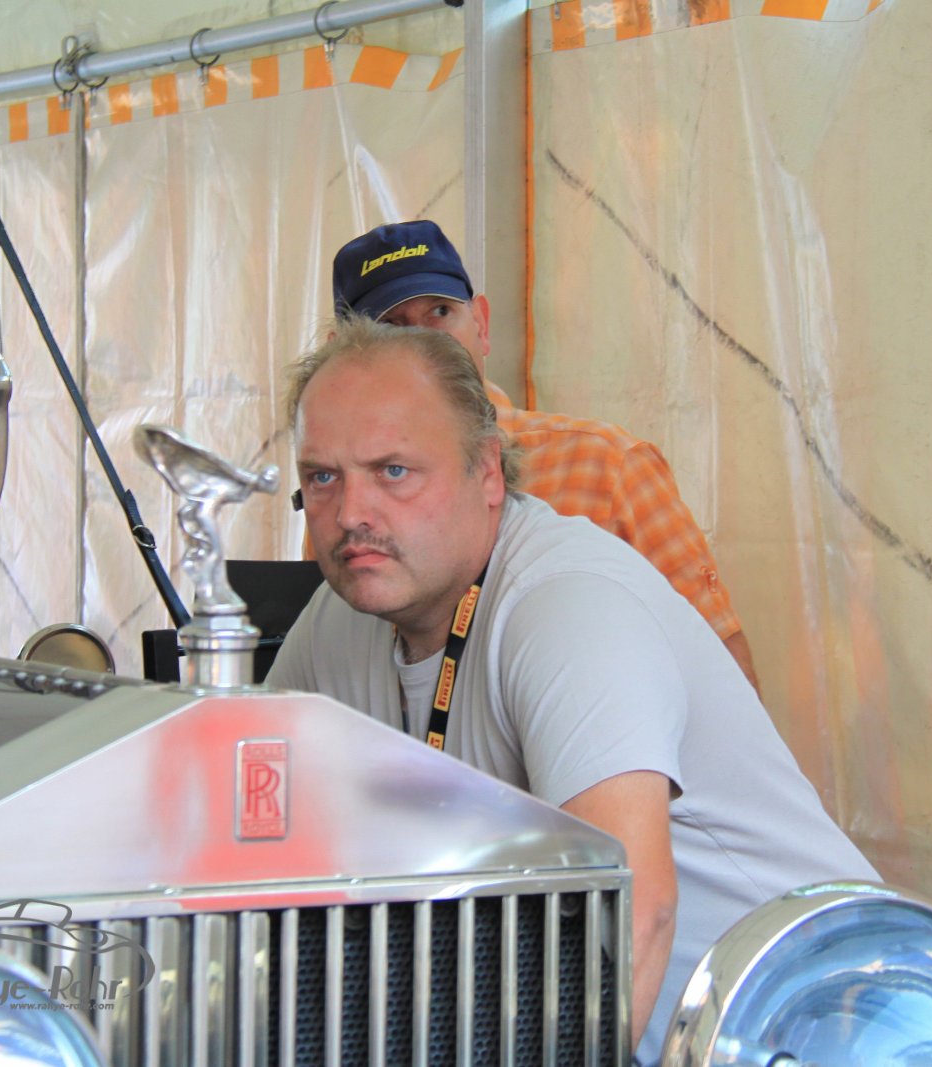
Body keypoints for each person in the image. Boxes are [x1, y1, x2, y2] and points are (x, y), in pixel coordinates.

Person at [266, 318, 878, 1065]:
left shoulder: (566, 603)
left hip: (828, 1025)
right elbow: (240, 821)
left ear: (487, 471)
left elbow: (633, 913)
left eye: (393, 470)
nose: (351, 513)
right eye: (323, 477)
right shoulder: (344, 614)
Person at [328, 220, 762, 692]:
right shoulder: (345, 500)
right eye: (390, 326)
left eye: (440, 312)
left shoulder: (607, 466)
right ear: (339, 361)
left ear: (481, 324)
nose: (425, 341)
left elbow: (721, 672)